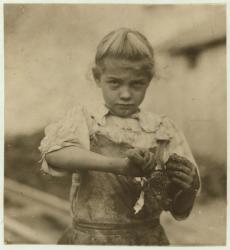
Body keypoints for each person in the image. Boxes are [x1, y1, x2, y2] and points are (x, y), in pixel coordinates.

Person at [39, 28, 201, 245]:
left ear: (149, 80)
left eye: (136, 84)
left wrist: (188, 186)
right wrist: (119, 166)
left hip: (147, 240)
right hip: (91, 240)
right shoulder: (87, 120)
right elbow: (54, 154)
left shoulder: (163, 129)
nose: (125, 94)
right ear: (98, 78)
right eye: (115, 82)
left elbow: (179, 209)